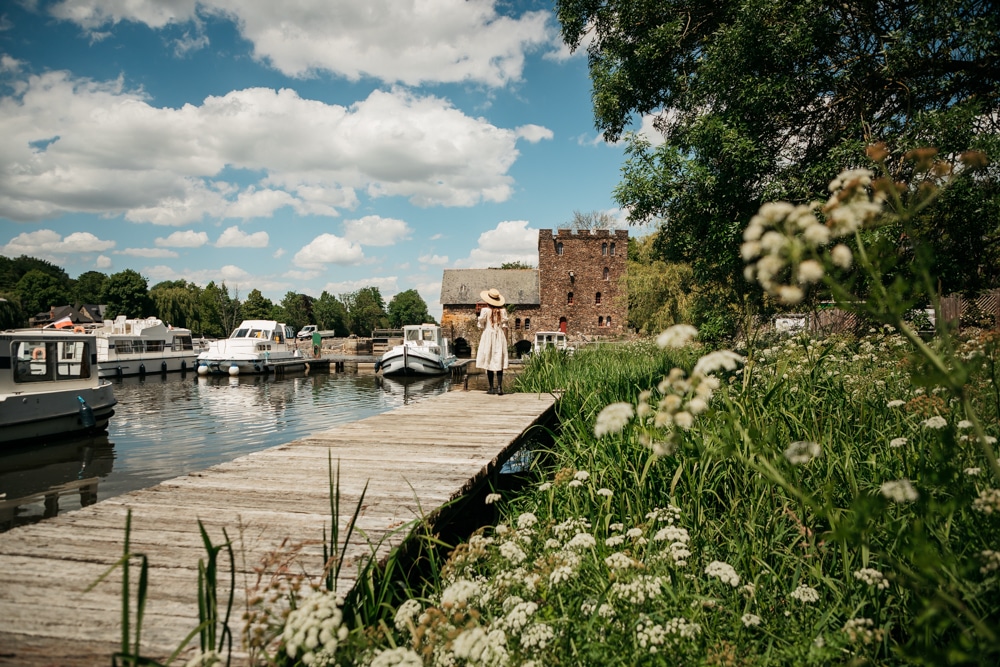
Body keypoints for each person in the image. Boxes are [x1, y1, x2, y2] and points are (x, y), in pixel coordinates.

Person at [476, 288, 509, 395]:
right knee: (498, 359)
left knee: (489, 360)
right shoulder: (503, 311)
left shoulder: (485, 311)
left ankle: (491, 388)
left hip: (488, 336)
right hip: (499, 336)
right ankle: (499, 387)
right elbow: (505, 325)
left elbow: (481, 325)